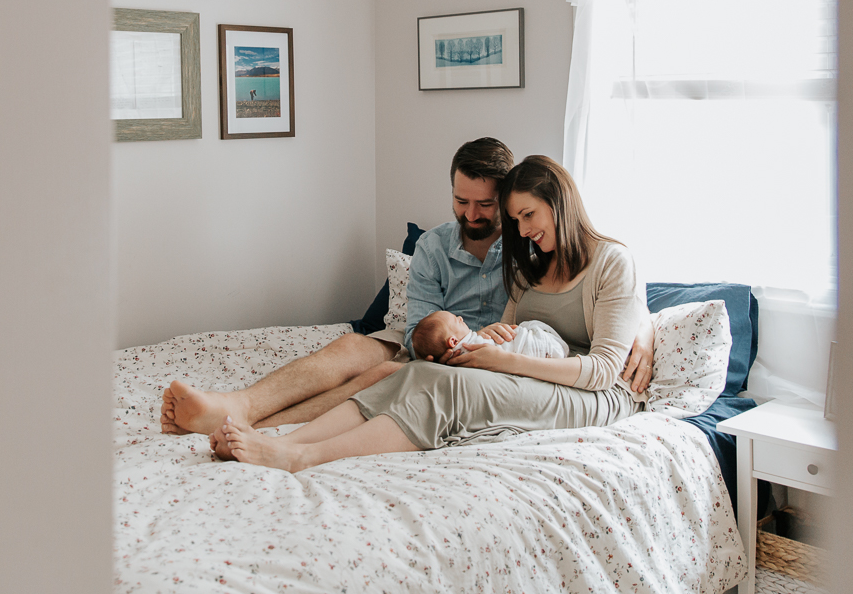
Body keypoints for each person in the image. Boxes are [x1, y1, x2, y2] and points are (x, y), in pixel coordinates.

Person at [218, 155, 651, 472]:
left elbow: (603, 372)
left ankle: (301, 457)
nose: (521, 230)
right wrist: (500, 335)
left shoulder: (613, 262)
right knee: (415, 373)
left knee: (453, 390)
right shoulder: (532, 263)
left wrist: (502, 360)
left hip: (593, 397)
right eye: (515, 219)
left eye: (528, 215)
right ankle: (281, 439)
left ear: (561, 202)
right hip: (530, 372)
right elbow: (514, 326)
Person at [160, 137, 524, 444]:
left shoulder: (526, 246)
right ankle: (239, 404)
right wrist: (425, 345)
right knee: (352, 346)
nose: (471, 214)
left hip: (480, 359)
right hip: (427, 340)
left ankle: (245, 426)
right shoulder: (432, 246)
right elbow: (416, 333)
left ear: (505, 200)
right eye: (461, 202)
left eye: (485, 205)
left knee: (386, 375)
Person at [410, 311, 567, 362]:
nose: (460, 318)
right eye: (456, 320)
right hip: (534, 347)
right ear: (453, 341)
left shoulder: (459, 358)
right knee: (528, 325)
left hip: (536, 351)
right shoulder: (472, 345)